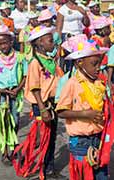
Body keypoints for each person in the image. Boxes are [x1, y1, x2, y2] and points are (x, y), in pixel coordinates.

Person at [12, 25, 64, 179]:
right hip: (43, 105)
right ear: (40, 43)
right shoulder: (35, 63)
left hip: (52, 103)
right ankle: (29, 160)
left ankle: (48, 167)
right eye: (49, 41)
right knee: (43, 138)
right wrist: (42, 108)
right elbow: (34, 88)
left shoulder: (49, 60)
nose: (52, 43)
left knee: (51, 137)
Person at [56, 39, 109, 180]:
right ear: (79, 63)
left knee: (101, 175)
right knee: (84, 175)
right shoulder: (72, 84)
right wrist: (86, 114)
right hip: (81, 141)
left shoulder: (99, 83)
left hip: (99, 137)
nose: (98, 68)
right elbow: (61, 111)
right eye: (94, 64)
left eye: (100, 63)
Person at [0, 25, 27, 162]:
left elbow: (25, 76)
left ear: (11, 42)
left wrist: (18, 89)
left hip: (15, 93)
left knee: (15, 121)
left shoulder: (20, 57)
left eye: (5, 43)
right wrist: (0, 89)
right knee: (3, 122)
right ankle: (4, 151)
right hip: (3, 95)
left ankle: (14, 147)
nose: (2, 46)